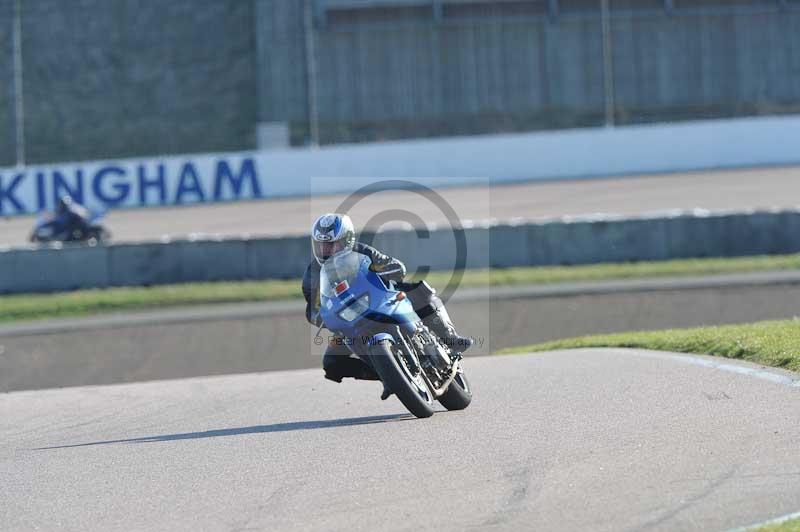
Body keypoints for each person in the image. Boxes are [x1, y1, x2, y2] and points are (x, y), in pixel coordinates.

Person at [302, 213, 473, 399]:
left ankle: (450, 337)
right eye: (322, 245)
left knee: (418, 289)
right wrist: (321, 317)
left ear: (347, 240)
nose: (326, 250)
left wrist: (389, 272)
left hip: (381, 301)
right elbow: (312, 307)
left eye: (331, 244)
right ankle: (388, 375)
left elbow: (394, 266)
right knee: (331, 363)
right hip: (349, 322)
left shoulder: (363, 252)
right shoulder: (312, 274)